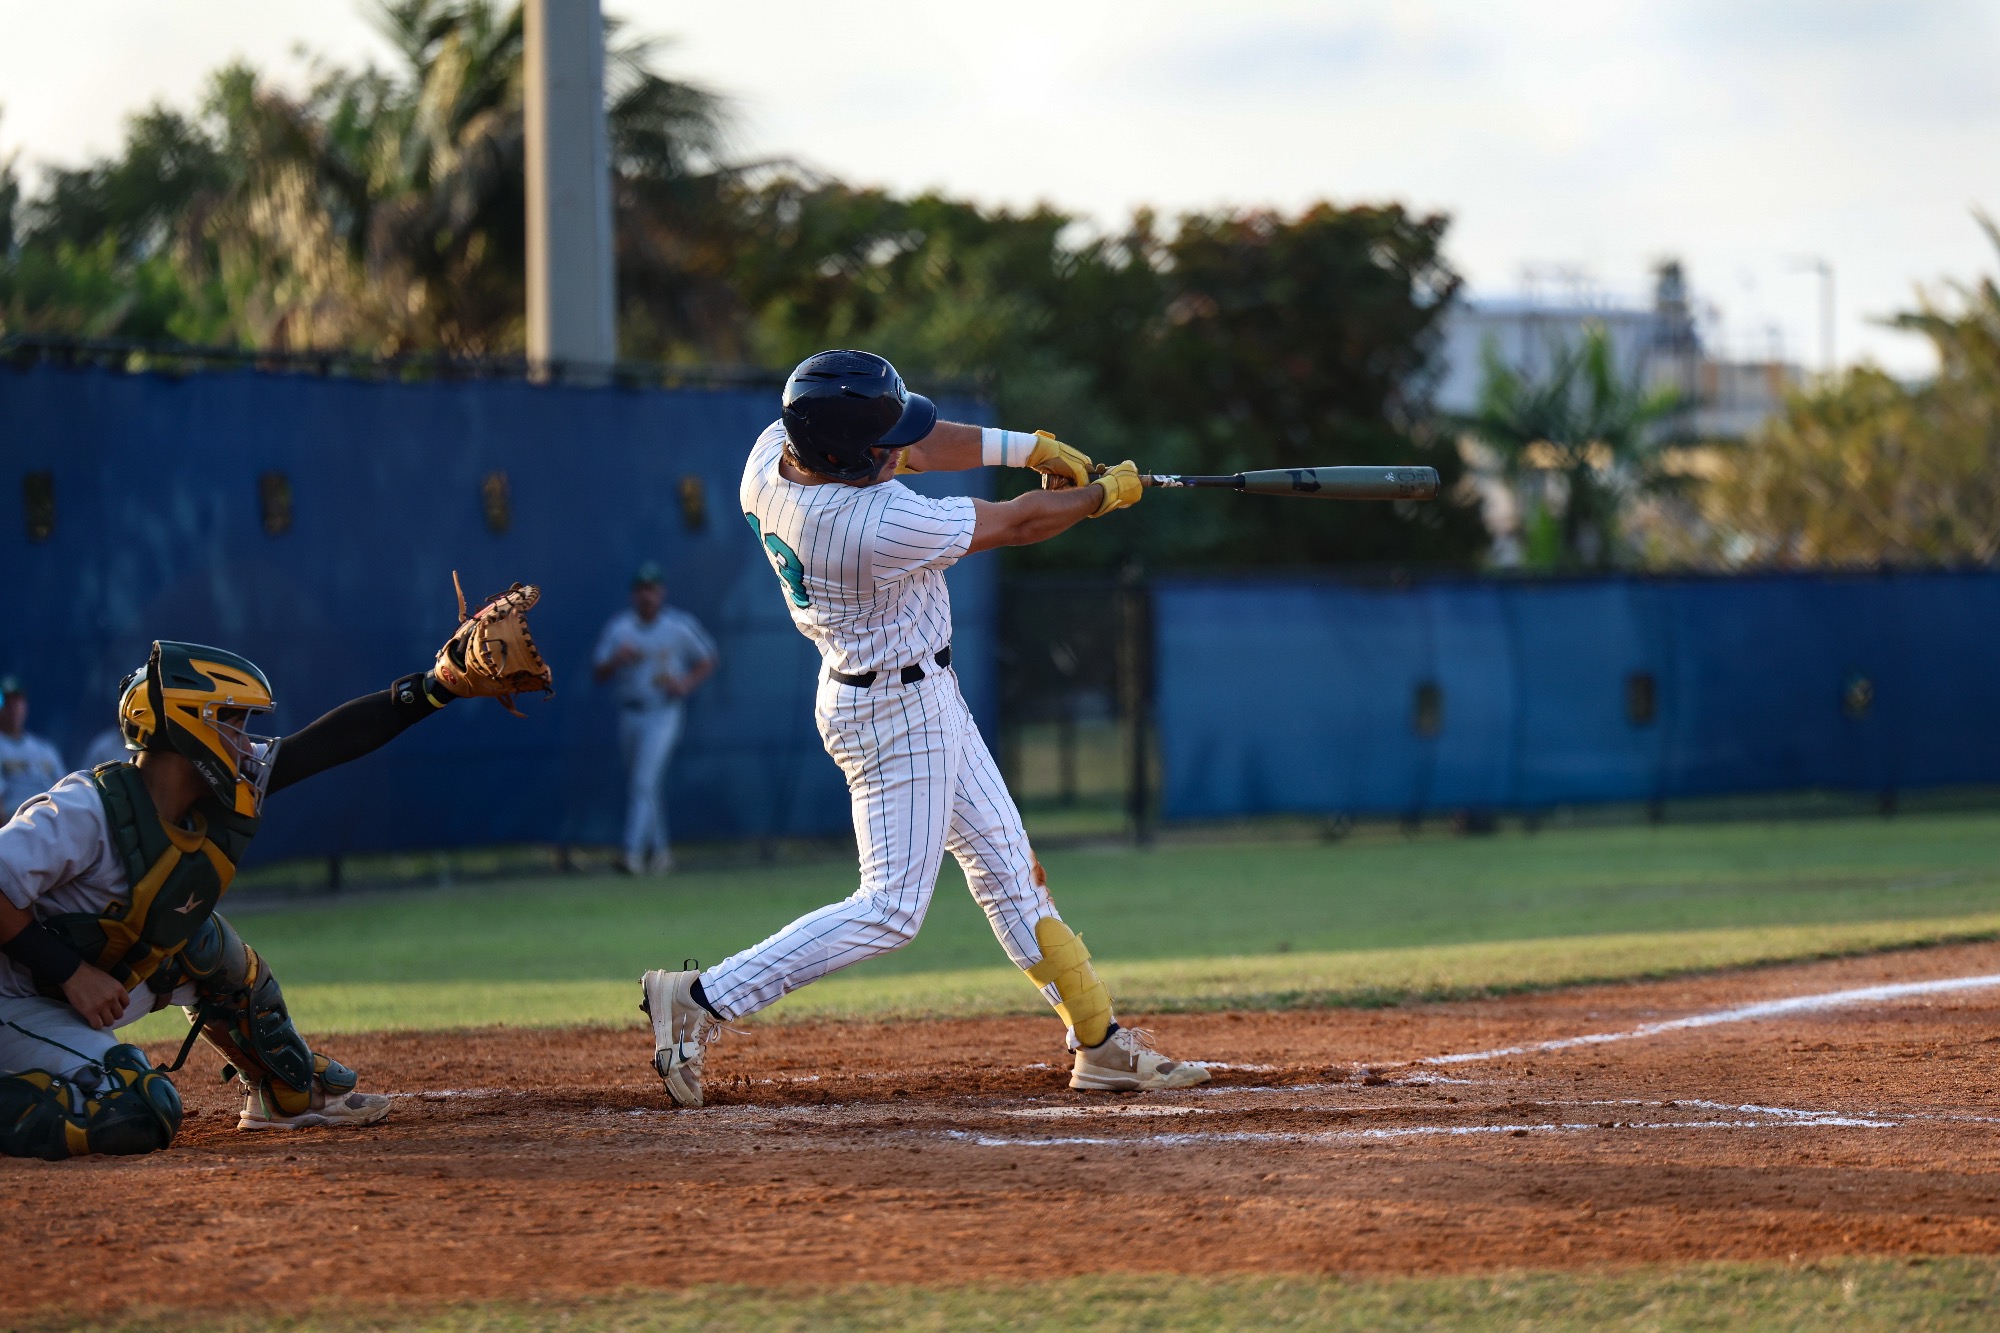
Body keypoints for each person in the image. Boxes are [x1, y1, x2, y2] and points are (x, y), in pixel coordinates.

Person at [641, 349, 1208, 1105]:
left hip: (917, 692)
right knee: (891, 909)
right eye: (879, 445)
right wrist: (1102, 496)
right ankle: (702, 997)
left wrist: (1031, 447)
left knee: (1012, 873)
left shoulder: (773, 452)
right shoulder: (871, 522)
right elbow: (1018, 522)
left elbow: (918, 442)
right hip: (893, 714)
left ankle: (1100, 1045)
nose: (896, 451)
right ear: (847, 457)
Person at [0, 585, 547, 1160]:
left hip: (75, 988)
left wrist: (437, 688)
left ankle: (287, 1095)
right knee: (139, 1110)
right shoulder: (88, 810)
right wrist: (71, 974)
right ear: (190, 727)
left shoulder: (214, 797)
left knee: (209, 947)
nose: (245, 738)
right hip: (14, 1003)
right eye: (231, 721)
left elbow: (326, 744)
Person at [592, 562, 717, 875]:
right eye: (641, 589)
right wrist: (615, 659)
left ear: (661, 592)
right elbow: (598, 672)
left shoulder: (676, 626)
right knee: (646, 787)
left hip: (663, 711)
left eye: (652, 588)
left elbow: (708, 656)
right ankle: (660, 854)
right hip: (631, 711)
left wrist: (686, 683)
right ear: (634, 594)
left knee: (642, 782)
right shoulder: (621, 628)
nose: (647, 595)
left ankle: (632, 855)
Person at [0, 677, 64, 817]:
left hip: (53, 823)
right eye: (6, 702)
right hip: (15, 827)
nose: (13, 708)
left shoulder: (45, 749)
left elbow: (66, 792)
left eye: (17, 701)